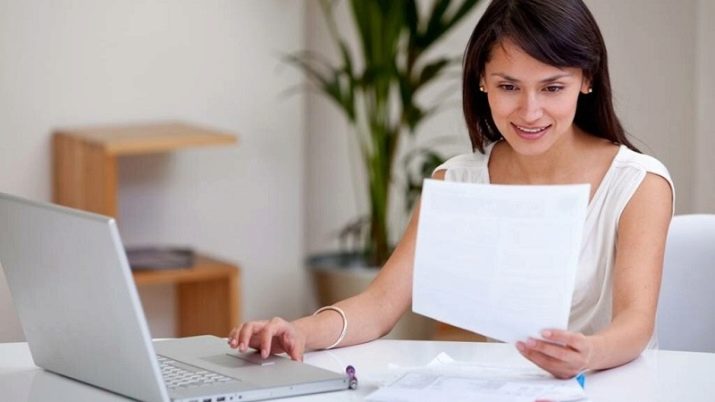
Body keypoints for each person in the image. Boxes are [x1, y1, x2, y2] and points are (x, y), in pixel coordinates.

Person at [228, 0, 674, 379]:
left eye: (552, 88)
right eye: (508, 87)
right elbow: (380, 304)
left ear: (586, 79)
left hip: (613, 385)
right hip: (512, 388)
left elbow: (635, 323)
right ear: (482, 81)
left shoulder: (638, 183)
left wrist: (587, 354)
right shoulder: (458, 181)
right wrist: (299, 332)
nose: (530, 111)